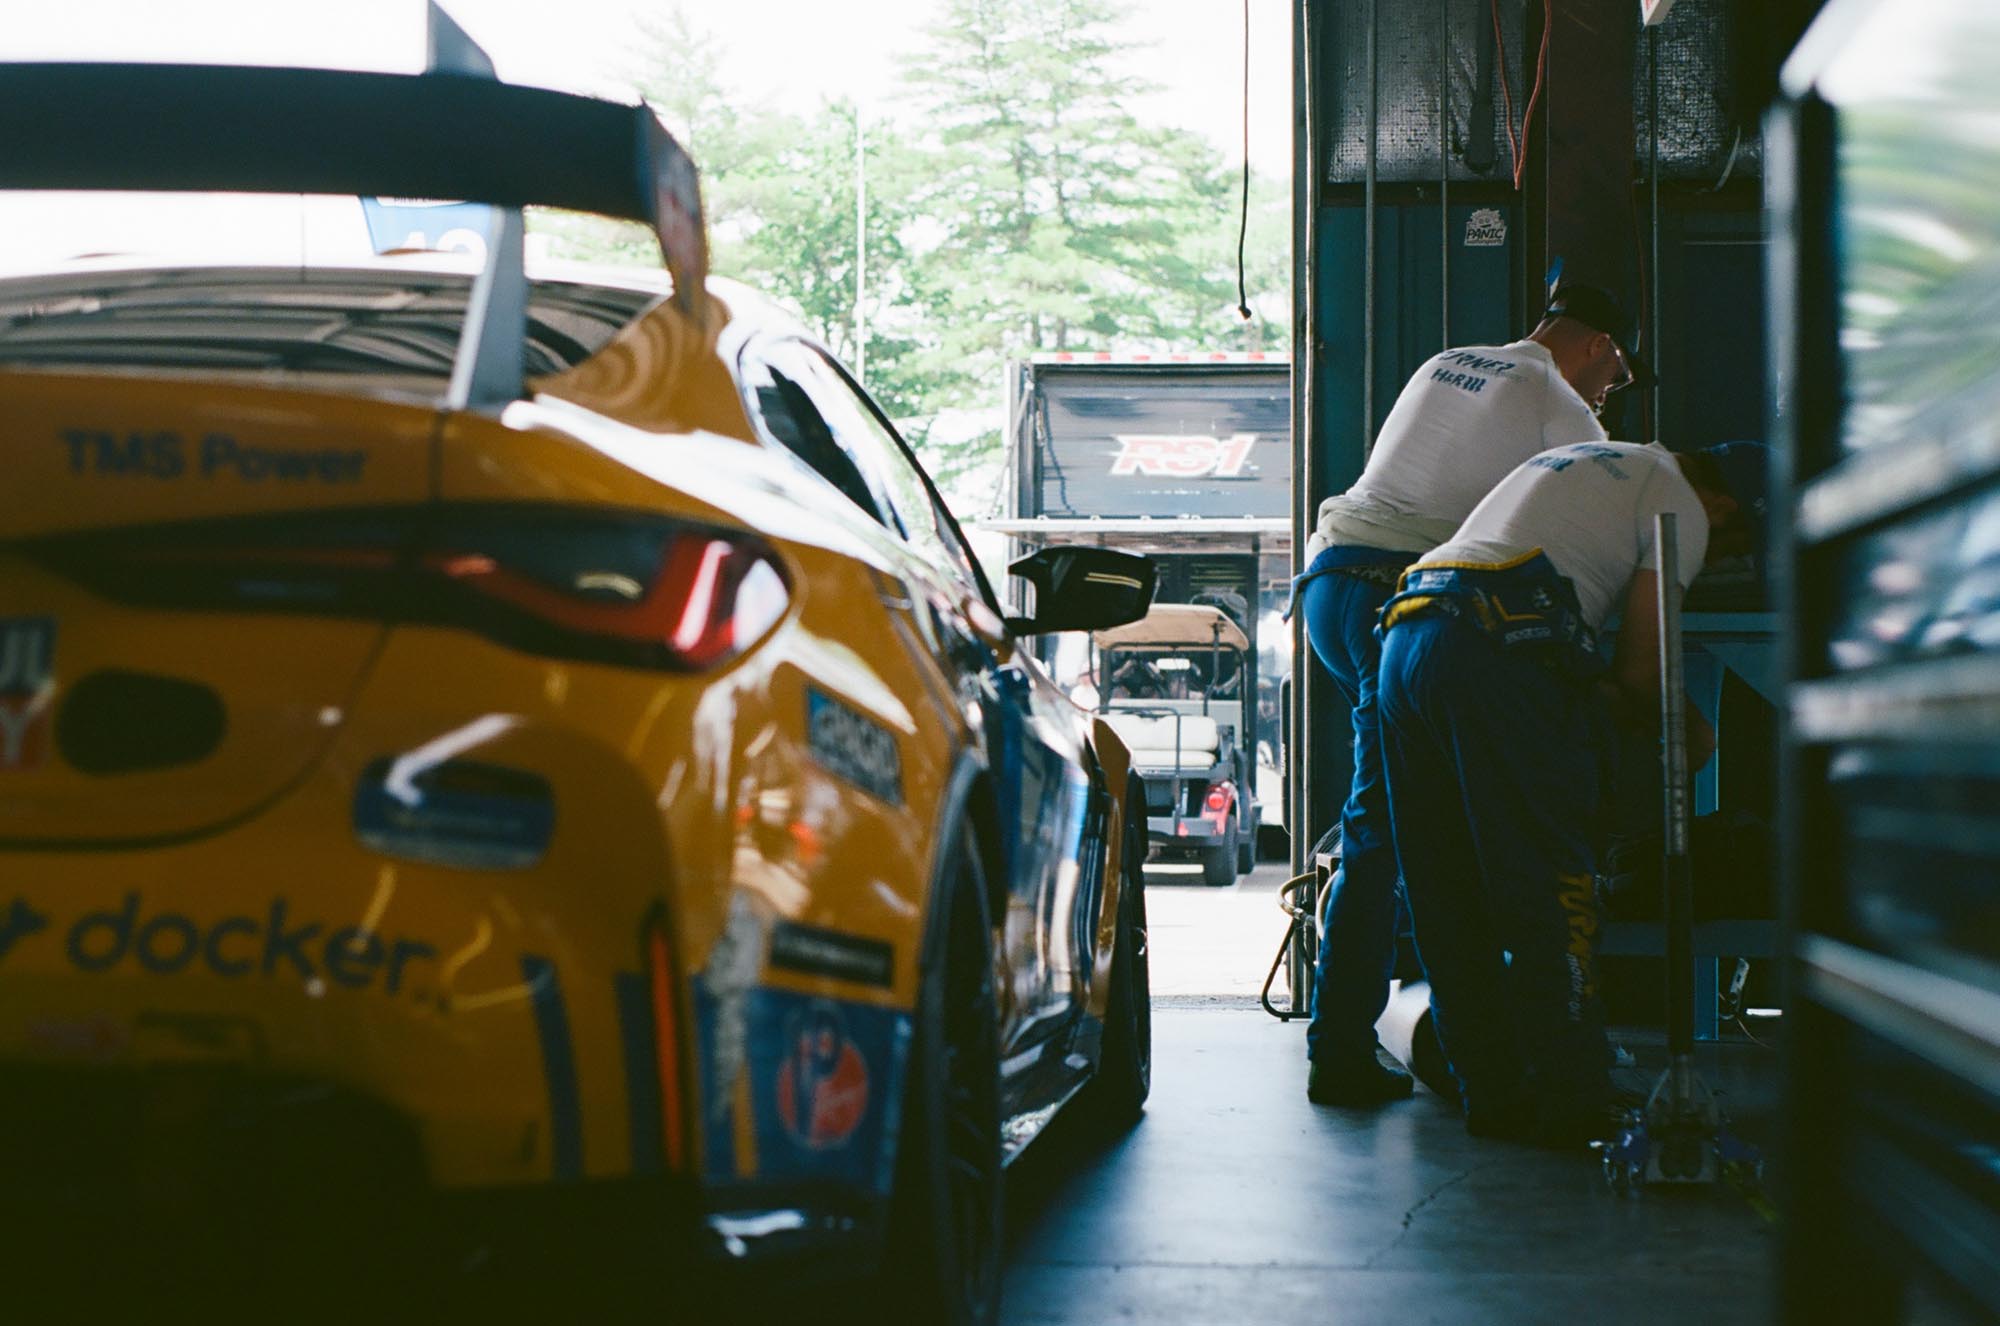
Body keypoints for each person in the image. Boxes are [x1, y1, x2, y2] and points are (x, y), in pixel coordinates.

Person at [1295, 283, 1646, 1106]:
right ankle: (1344, 1052)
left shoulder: (1447, 361)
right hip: (1397, 595)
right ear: (1596, 345)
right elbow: (1606, 500)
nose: (1610, 390)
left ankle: (1419, 1039)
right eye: (1617, 372)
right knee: (1388, 834)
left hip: (1330, 582)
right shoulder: (1557, 397)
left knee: (1394, 822)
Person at [1372, 440, 1767, 1144]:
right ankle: (1573, 1097)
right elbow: (1646, 672)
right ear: (1726, 509)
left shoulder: (1587, 455)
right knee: (1552, 887)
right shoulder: (1679, 498)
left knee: (1445, 889)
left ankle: (1492, 1095)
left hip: (1408, 632)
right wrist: (1695, 731)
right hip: (1500, 642)